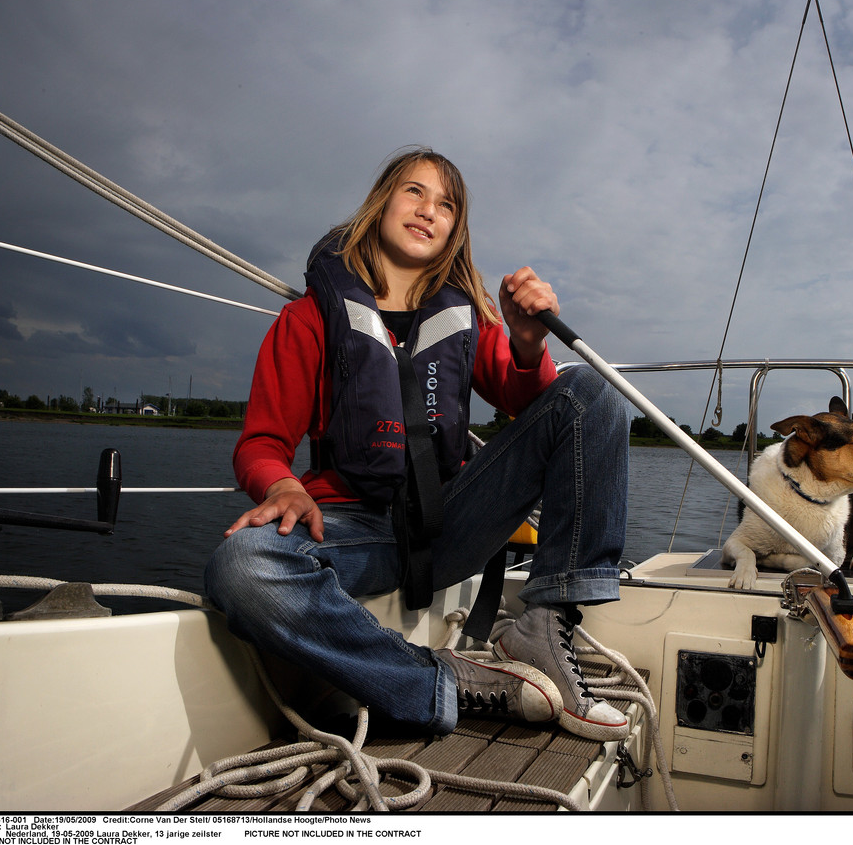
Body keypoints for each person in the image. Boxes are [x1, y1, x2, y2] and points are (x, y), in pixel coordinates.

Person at [205, 147, 630, 741]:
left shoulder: (469, 317)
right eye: (414, 192)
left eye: (447, 204)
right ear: (381, 202)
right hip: (353, 528)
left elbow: (520, 396)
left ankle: (547, 623)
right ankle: (438, 683)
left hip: (449, 523)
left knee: (590, 391)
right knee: (241, 567)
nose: (429, 210)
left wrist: (528, 344)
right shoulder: (308, 319)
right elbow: (261, 442)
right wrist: (280, 484)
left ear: (456, 228)